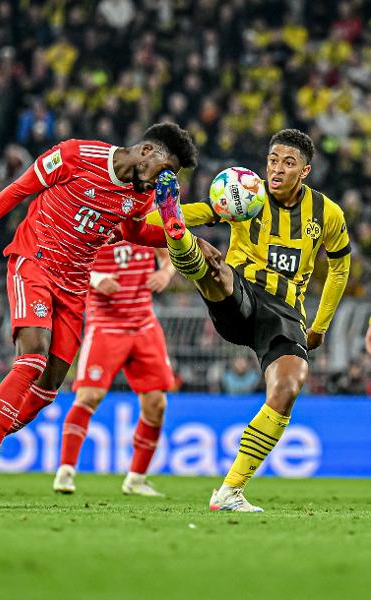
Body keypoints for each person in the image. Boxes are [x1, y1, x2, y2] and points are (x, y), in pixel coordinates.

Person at [0, 122, 198, 503]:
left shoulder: (141, 198)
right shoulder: (75, 155)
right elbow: (18, 190)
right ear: (147, 152)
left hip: (75, 285)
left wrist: (196, 230)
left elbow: (136, 234)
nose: (167, 181)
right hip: (35, 261)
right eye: (167, 170)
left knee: (47, 390)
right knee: (31, 358)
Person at [148, 128, 351, 512]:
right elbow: (206, 212)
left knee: (289, 388)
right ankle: (179, 238)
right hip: (242, 294)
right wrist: (163, 216)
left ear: (304, 171)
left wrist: (320, 325)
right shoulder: (246, 192)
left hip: (286, 314)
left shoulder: (327, 214)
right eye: (273, 160)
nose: (276, 169)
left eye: (288, 163)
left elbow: (340, 269)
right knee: (215, 266)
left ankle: (229, 491)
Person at [53, 243, 174, 497]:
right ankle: (66, 470)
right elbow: (65, 265)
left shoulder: (148, 218)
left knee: (157, 404)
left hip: (144, 325)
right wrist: (96, 279)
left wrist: (165, 272)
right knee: (89, 397)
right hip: (106, 326)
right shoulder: (98, 220)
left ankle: (137, 478)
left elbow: (169, 255)